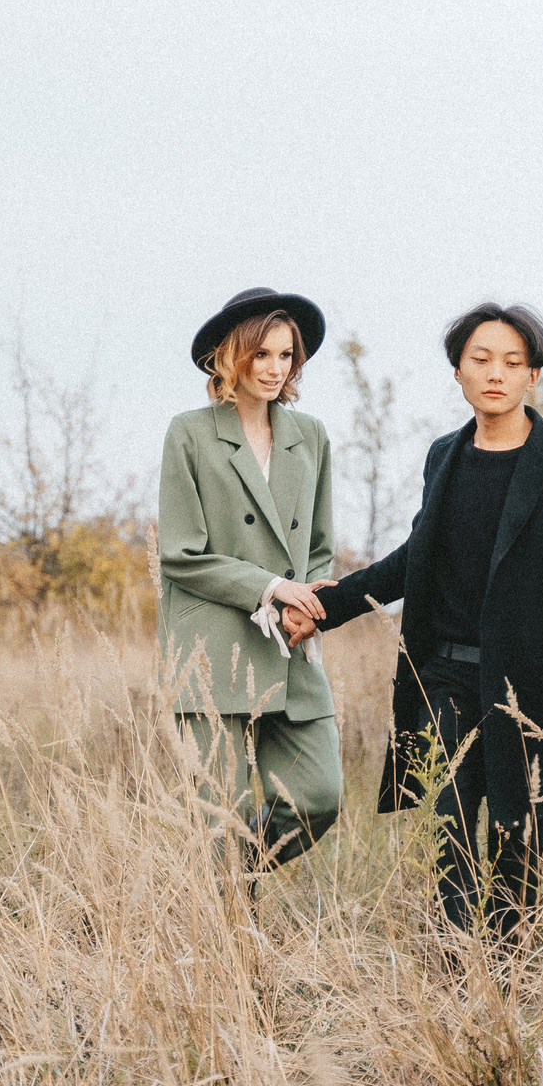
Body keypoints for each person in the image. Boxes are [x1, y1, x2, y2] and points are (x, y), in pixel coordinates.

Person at [297, 302, 543, 941]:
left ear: (534, 376)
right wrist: (326, 607)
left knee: (517, 840)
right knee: (447, 827)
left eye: (513, 362)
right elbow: (413, 563)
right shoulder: (443, 456)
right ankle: (457, 972)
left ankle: (503, 977)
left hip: (533, 685)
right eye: (481, 360)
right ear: (458, 372)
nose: (496, 374)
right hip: (444, 675)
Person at [157, 287, 343, 880]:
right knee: (219, 820)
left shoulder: (309, 435)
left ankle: (233, 879)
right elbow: (180, 555)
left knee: (318, 797)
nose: (274, 368)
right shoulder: (188, 433)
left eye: (286, 356)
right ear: (229, 356)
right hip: (212, 648)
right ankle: (227, 938)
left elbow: (318, 547)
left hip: (288, 646)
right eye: (261, 354)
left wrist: (308, 603)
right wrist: (269, 588)